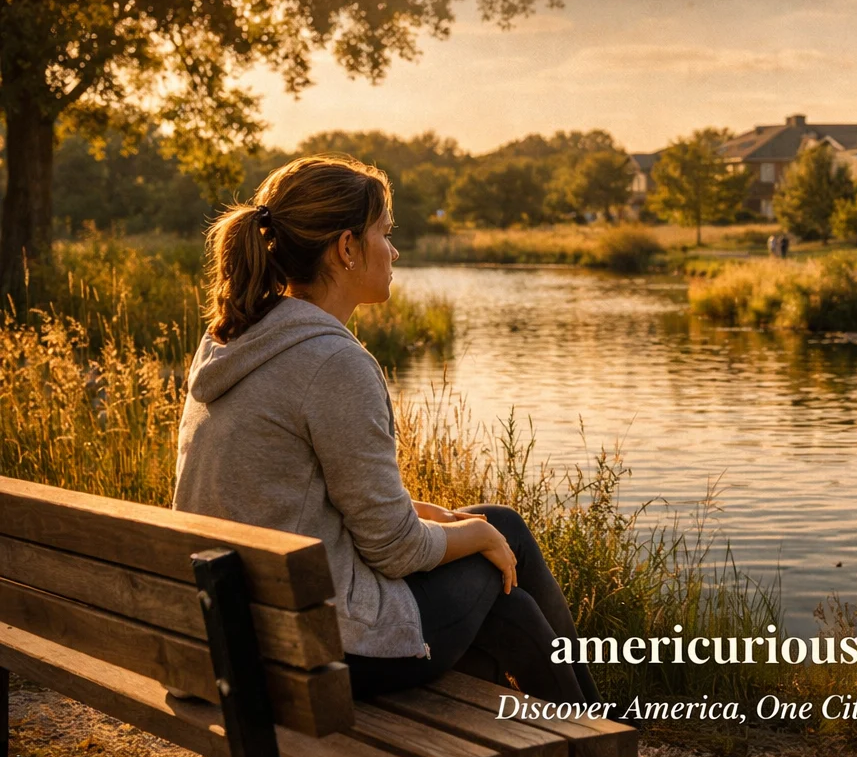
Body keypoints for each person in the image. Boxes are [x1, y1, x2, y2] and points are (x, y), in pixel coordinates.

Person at [173, 154, 600, 704]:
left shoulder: (235, 343)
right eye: (384, 233)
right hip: (313, 651)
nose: (393, 251)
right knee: (503, 534)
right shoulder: (331, 362)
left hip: (233, 633)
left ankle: (600, 742)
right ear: (347, 248)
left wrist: (429, 513)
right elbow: (394, 551)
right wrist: (476, 535)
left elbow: (299, 494)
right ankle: (606, 748)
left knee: (498, 551)